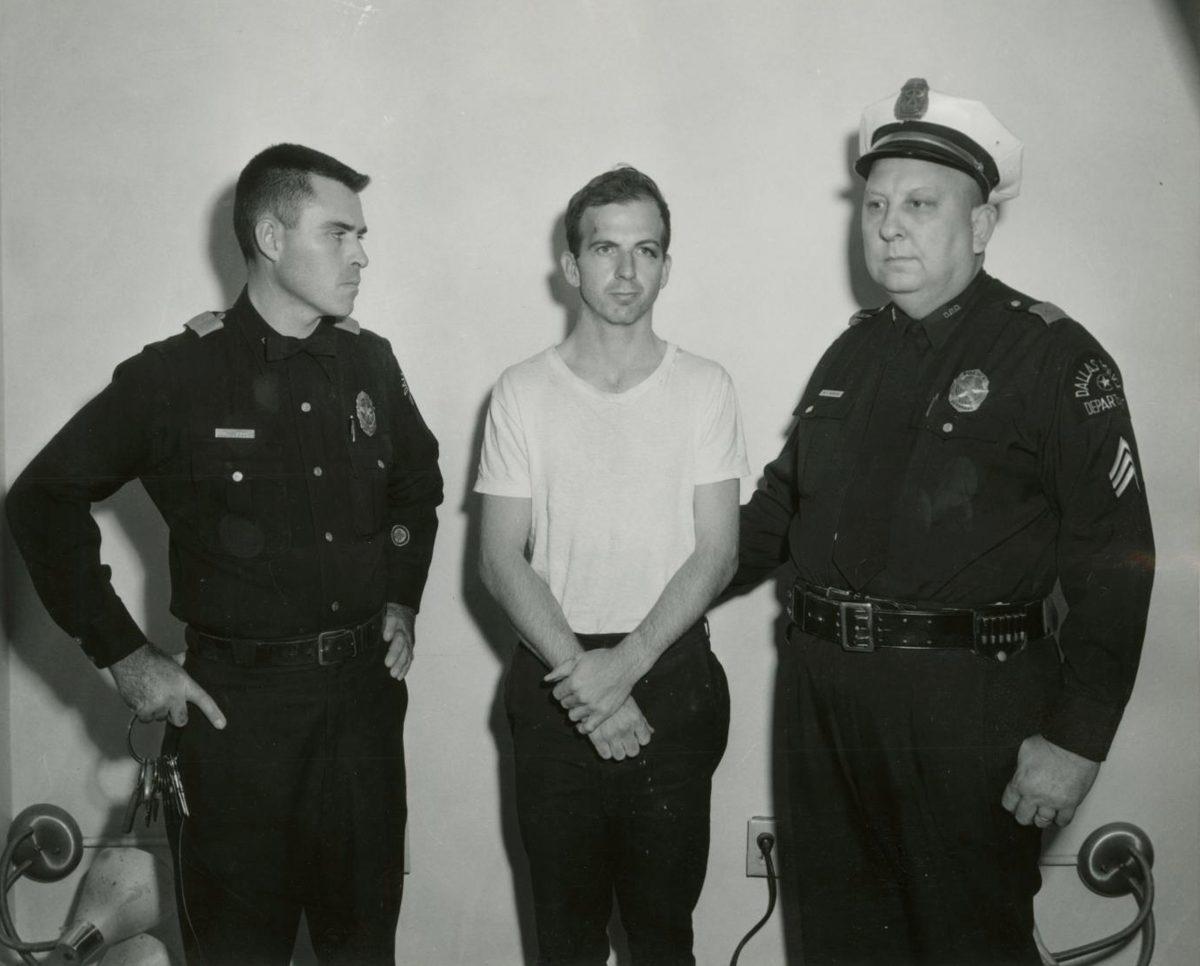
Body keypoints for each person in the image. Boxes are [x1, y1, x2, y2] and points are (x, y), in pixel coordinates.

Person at [732, 79, 1155, 965]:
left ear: (981, 225)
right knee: (838, 947)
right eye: (876, 204)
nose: (889, 225)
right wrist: (652, 587)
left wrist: (1079, 739)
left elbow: (1115, 561)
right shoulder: (851, 350)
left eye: (920, 204)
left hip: (967, 715)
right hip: (822, 705)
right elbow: (775, 512)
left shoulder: (1052, 356)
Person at [6, 143, 443, 965]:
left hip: (361, 712)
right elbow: (41, 499)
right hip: (236, 717)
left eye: (362, 235)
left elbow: (417, 486)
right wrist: (123, 655)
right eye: (339, 232)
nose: (362, 254)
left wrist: (401, 594)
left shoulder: (370, 362)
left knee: (364, 949)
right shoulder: (178, 375)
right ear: (271, 237)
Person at [476, 165, 747, 965]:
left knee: (663, 937)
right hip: (557, 675)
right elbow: (498, 558)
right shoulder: (521, 391)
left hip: (666, 671)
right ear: (571, 265)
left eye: (646, 251)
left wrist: (624, 667)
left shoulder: (704, 386)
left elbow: (719, 549)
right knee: (565, 940)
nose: (626, 272)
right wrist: (585, 680)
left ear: (666, 265)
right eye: (606, 249)